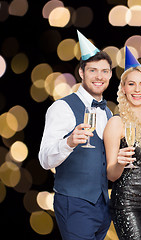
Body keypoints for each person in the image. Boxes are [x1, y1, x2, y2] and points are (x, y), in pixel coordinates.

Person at [38, 30, 113, 239]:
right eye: (93, 70)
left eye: (105, 71)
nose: (99, 76)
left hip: (103, 207)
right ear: (81, 72)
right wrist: (69, 142)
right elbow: (44, 159)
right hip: (74, 203)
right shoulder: (61, 108)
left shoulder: (107, 112)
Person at [103, 46, 141, 240]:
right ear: (124, 89)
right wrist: (119, 162)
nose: (137, 90)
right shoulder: (116, 123)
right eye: (131, 84)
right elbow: (111, 174)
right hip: (127, 203)